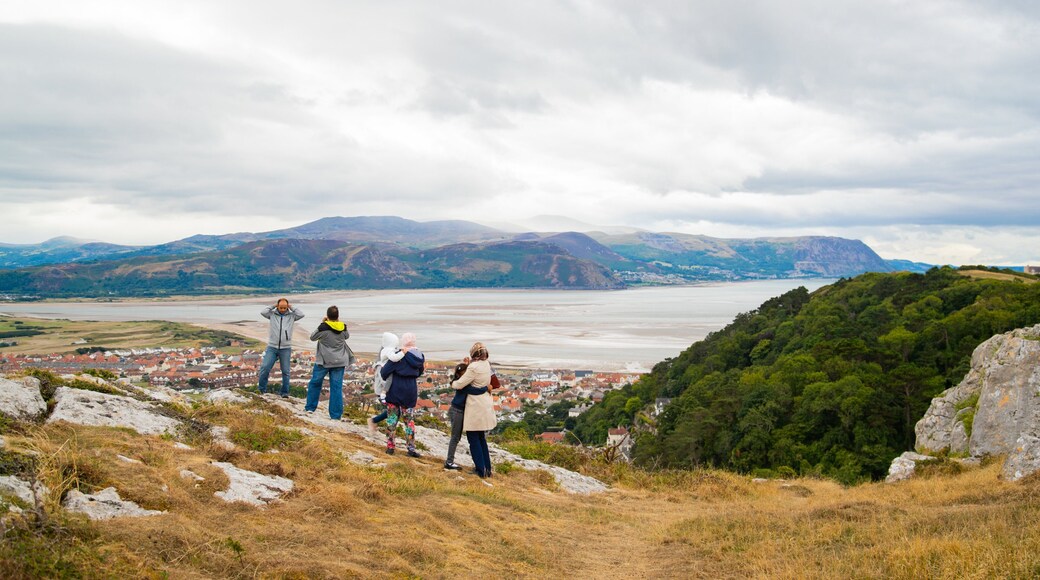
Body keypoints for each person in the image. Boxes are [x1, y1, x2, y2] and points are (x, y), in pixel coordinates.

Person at [451, 342, 497, 478]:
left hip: (475, 406)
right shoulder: (486, 364)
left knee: (473, 438)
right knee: (481, 438)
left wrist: (453, 382)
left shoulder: (473, 368)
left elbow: (459, 385)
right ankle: (487, 469)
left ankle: (480, 469)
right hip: (485, 403)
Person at [304, 306, 355, 420]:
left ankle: (310, 408)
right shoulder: (343, 327)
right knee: (336, 387)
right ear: (338, 316)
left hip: (324, 361)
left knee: (315, 383)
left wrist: (323, 323)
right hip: (340, 361)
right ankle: (335, 415)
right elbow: (347, 336)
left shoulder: (323, 327)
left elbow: (312, 337)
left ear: (327, 316)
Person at [443, 360, 495, 471]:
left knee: (463, 437)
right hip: (457, 410)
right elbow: (474, 391)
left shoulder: (465, 380)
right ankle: (449, 461)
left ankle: (453, 461)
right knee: (455, 437)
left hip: (464, 411)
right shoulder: (463, 385)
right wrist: (486, 388)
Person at [379, 332, 425, 456]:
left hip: (395, 389)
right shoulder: (420, 356)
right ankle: (411, 448)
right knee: (409, 421)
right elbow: (420, 371)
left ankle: (390, 447)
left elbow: (384, 373)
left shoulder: (399, 355)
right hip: (410, 390)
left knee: (392, 420)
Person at [258, 298, 304, 397]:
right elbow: (263, 312)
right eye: (281, 307)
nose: (283, 309)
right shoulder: (272, 314)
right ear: (277, 306)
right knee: (265, 368)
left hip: (285, 348)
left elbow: (301, 314)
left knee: (286, 371)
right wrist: (273, 306)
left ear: (287, 307)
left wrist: (291, 307)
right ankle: (261, 390)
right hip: (272, 347)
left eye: (284, 307)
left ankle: (284, 392)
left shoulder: (292, 316)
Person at [368, 332, 404, 433]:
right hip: (384, 391)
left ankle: (379, 423)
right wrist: (387, 389)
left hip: (387, 390)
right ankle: (375, 422)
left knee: (394, 410)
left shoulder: (384, 363)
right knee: (394, 410)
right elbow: (384, 379)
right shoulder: (381, 366)